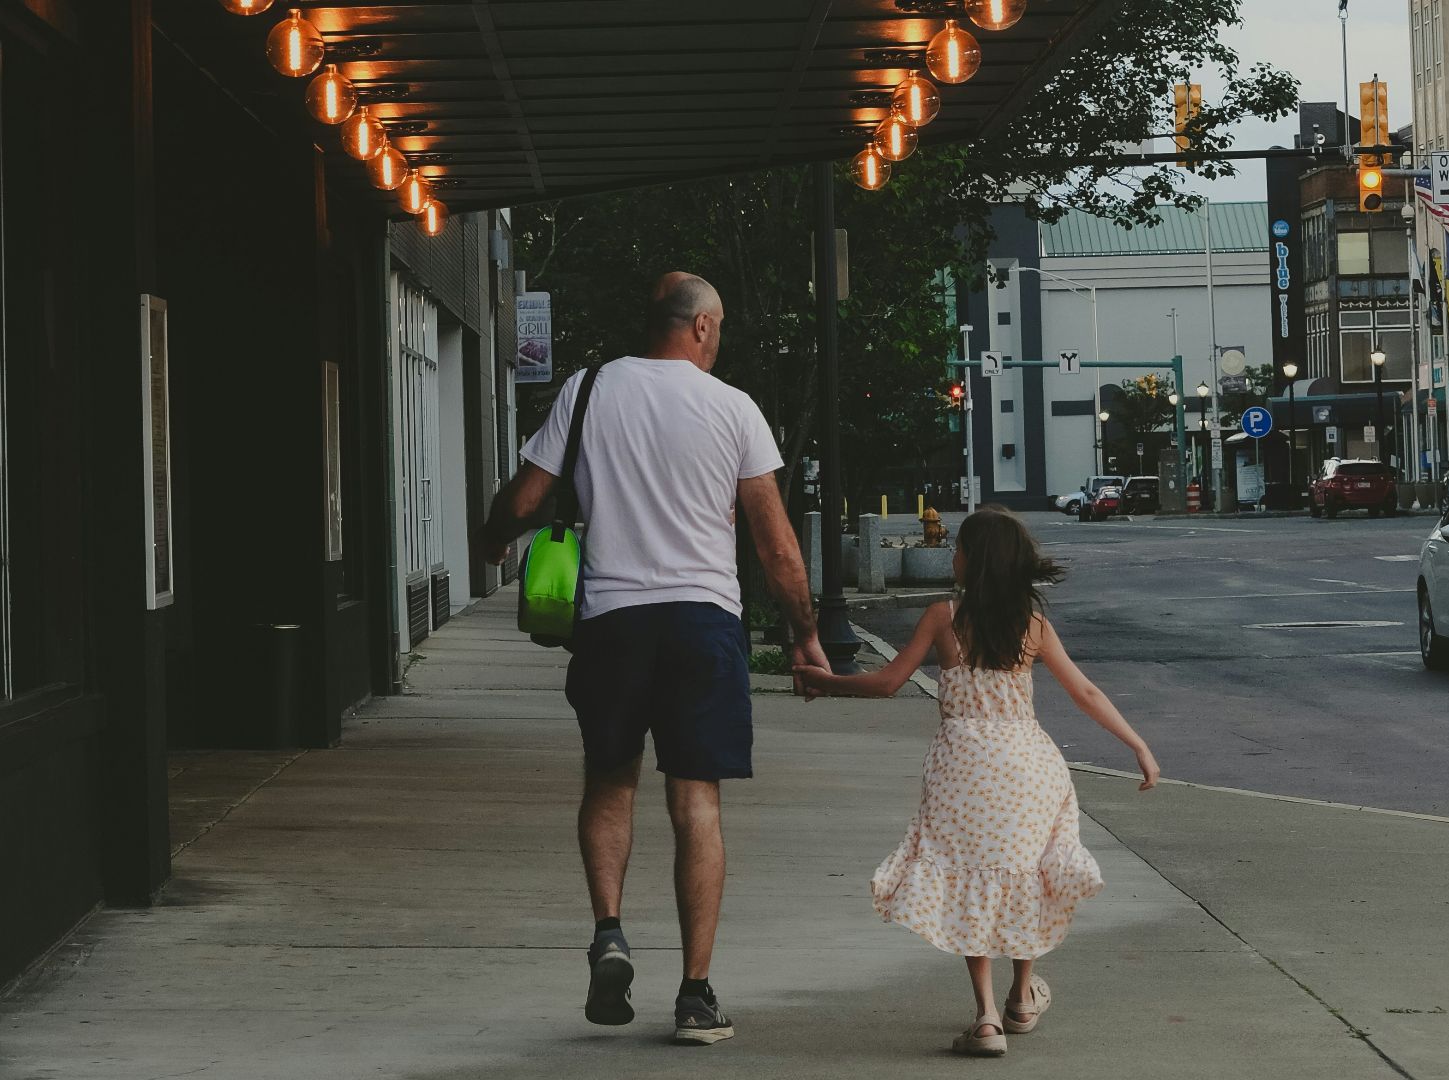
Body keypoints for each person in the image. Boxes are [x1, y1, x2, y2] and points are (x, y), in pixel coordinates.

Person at [478, 272, 829, 1046]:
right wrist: (804, 634)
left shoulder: (589, 388)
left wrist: (491, 538)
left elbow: (528, 498)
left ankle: (609, 931)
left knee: (609, 782)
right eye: (722, 325)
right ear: (702, 326)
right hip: (703, 625)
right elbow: (775, 545)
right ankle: (697, 996)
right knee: (694, 801)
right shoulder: (733, 407)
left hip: (612, 622)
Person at [795, 508, 1159, 1058]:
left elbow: (889, 682)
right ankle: (1020, 996)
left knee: (970, 874)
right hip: (1027, 764)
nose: (952, 555)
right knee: (1026, 870)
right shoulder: (1032, 625)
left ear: (974, 561)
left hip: (962, 768)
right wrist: (1137, 744)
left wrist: (830, 682)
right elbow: (1084, 692)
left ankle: (986, 1016)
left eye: (958, 548)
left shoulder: (943, 616)